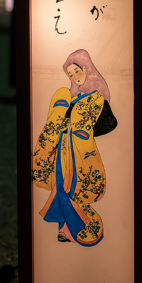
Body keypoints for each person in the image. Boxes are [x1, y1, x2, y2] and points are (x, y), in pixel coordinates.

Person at [32, 49, 117, 246]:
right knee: (61, 184)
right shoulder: (68, 97)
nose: (74, 77)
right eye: (70, 75)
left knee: (75, 187)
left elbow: (106, 125)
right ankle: (65, 228)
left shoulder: (96, 99)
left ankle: (80, 226)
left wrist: (75, 127)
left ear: (87, 69)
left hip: (79, 152)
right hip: (62, 148)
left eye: (77, 71)